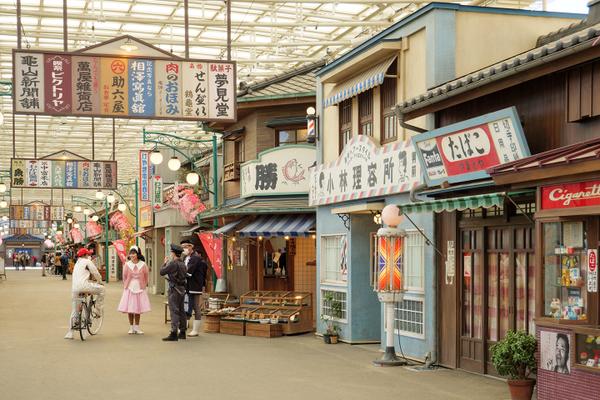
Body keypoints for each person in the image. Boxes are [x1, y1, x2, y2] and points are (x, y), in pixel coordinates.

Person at [64, 248, 105, 340]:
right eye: (88, 254)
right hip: (84, 286)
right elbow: (95, 272)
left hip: (75, 289)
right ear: (86, 255)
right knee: (102, 290)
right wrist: (100, 281)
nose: (89, 256)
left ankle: (70, 332)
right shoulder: (87, 261)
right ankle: (97, 311)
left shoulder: (77, 263)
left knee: (74, 309)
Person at [117, 246, 151, 335]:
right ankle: (131, 327)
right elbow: (124, 276)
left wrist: (144, 284)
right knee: (130, 309)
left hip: (140, 288)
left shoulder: (143, 264)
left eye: (134, 253)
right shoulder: (127, 264)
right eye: (131, 253)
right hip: (130, 288)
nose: (132, 255)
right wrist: (126, 285)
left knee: (138, 309)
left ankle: (137, 327)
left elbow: (146, 275)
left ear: (137, 254)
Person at [160, 244, 188, 341]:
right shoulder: (183, 264)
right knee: (181, 310)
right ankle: (183, 332)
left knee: (174, 310)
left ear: (173, 253)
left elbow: (162, 272)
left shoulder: (173, 263)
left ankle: (174, 332)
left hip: (174, 289)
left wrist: (164, 263)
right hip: (182, 289)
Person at [181, 240, 208, 337]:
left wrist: (179, 274)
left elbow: (188, 271)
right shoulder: (185, 257)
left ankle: (195, 330)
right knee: (187, 305)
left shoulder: (196, 258)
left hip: (195, 285)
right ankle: (184, 327)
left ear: (190, 246)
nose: (183, 249)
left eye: (185, 246)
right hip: (187, 285)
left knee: (196, 306)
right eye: (182, 246)